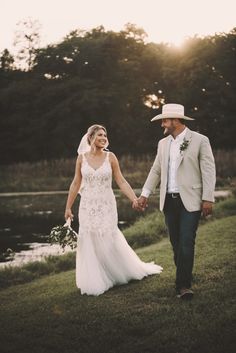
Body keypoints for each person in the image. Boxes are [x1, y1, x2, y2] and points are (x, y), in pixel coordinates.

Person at [64, 124, 162, 296]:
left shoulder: (111, 157)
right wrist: (68, 207)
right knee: (89, 239)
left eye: (105, 135)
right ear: (90, 137)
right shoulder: (81, 158)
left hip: (106, 204)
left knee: (109, 237)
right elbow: (75, 183)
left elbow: (121, 181)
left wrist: (134, 199)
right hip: (87, 205)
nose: (103, 137)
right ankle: (96, 278)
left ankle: (117, 272)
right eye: (99, 135)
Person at [137, 103, 216, 300]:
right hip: (169, 201)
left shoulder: (200, 140)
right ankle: (184, 275)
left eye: (165, 120)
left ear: (176, 121)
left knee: (187, 241)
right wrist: (145, 194)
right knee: (175, 243)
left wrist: (208, 198)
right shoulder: (163, 144)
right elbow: (156, 170)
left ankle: (183, 286)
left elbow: (208, 170)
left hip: (191, 200)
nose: (162, 123)